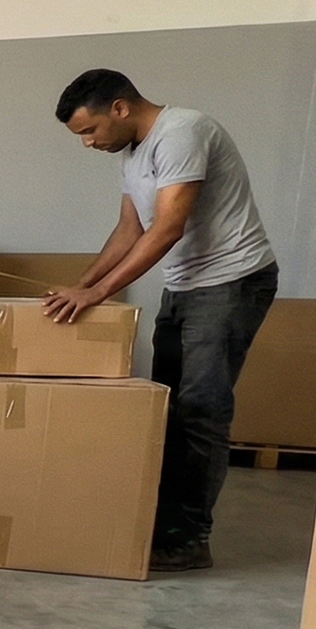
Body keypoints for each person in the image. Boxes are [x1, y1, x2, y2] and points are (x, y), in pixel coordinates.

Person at [42, 69, 277, 573]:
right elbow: (130, 228)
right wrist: (81, 286)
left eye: (90, 131)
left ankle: (191, 538)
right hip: (185, 285)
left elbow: (169, 226)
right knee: (164, 409)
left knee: (200, 410)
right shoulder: (132, 153)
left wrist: (99, 293)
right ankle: (163, 523)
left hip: (231, 283)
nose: (87, 143)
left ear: (120, 108)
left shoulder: (182, 133)